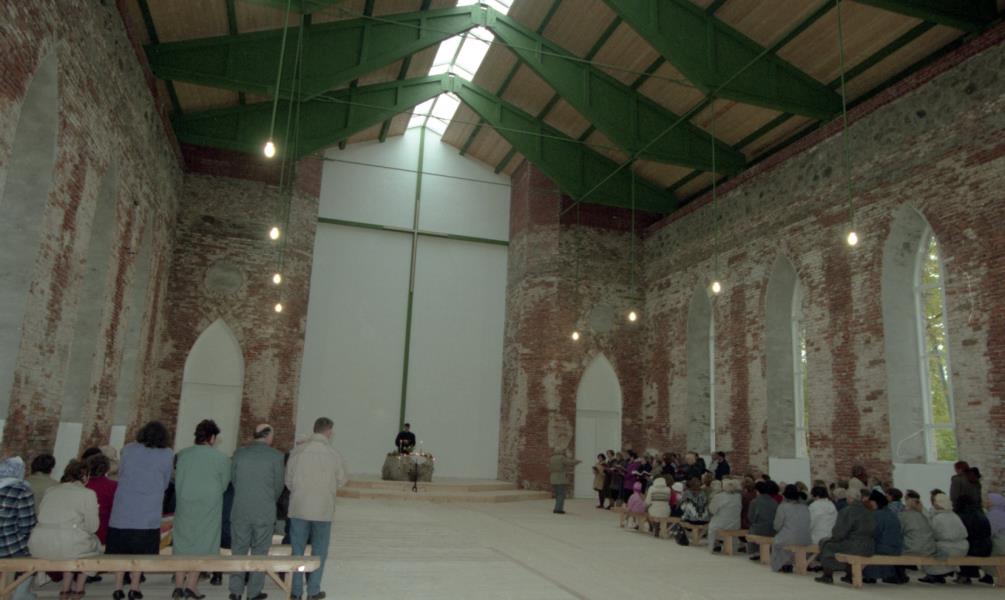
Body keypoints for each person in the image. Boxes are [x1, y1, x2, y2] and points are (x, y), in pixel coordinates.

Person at [107, 421, 173, 600]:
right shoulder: (167, 454)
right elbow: (166, 482)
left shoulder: (128, 449)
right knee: (141, 552)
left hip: (123, 509)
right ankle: (134, 587)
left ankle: (118, 587)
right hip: (147, 511)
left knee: (120, 552)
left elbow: (121, 473)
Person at [286, 417, 349, 600]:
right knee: (319, 551)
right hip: (322, 510)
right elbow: (342, 480)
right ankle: (313, 591)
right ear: (328, 431)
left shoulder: (298, 452)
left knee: (297, 550)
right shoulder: (333, 454)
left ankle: (296, 592)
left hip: (299, 507)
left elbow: (288, 481)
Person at [172, 419, 231, 600]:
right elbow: (224, 484)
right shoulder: (221, 458)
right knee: (202, 544)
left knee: (182, 543)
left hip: (185, 503)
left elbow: (176, 479)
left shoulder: (182, 455)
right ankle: (191, 586)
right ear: (212, 438)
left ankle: (178, 586)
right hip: (209, 507)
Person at [229, 424, 286, 600]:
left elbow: (234, 480)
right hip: (264, 511)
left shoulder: (239, 454)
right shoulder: (276, 456)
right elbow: (278, 486)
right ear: (267, 436)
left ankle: (236, 591)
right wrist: (268, 500)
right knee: (260, 552)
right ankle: (253, 592)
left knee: (238, 550)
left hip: (241, 509)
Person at [29, 459, 101, 598]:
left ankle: (65, 588)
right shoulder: (87, 493)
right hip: (68, 543)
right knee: (92, 544)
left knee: (73, 543)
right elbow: (93, 527)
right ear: (85, 476)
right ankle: (79, 589)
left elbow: (41, 515)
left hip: (39, 543)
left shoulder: (51, 490)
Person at [815, 489, 876, 585]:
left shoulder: (847, 511)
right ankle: (849, 575)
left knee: (826, 545)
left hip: (853, 545)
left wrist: (832, 539)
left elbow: (839, 533)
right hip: (869, 546)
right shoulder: (869, 511)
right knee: (831, 544)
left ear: (850, 498)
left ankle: (828, 575)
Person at [0, 457, 38, 600]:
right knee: (30, 562)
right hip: (8, 547)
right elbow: (27, 525)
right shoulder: (21, 490)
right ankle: (20, 595)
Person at [920, 492, 969, 583]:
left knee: (928, 548)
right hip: (963, 548)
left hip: (948, 549)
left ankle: (933, 575)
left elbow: (932, 535)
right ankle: (940, 574)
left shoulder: (938, 518)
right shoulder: (955, 516)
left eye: (935, 501)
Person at [862, 489, 904, 584]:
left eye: (872, 502)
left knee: (865, 546)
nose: (870, 504)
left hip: (883, 548)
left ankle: (870, 576)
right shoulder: (891, 514)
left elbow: (873, 533)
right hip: (896, 548)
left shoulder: (877, 515)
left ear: (876, 502)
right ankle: (888, 574)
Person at [897, 490, 936, 582]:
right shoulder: (926, 514)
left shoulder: (903, 515)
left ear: (907, 500)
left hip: (911, 549)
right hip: (928, 549)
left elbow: (899, 532)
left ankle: (899, 575)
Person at [772, 484, 811, 572]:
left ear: (785, 496)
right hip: (805, 539)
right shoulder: (805, 507)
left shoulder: (782, 507)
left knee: (778, 542)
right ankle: (792, 562)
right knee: (789, 539)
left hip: (789, 538)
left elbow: (777, 526)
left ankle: (783, 564)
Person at [955, 495, 993, 584]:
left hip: (974, 548)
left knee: (962, 546)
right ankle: (969, 574)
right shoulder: (981, 514)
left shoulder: (962, 516)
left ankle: (964, 575)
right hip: (987, 547)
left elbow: (962, 535)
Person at [83, 453, 117, 547]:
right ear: (107, 468)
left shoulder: (82, 486)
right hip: (106, 534)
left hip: (84, 535)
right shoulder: (114, 486)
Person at [708, 478, 741, 554]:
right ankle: (733, 547)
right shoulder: (738, 497)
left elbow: (712, 510)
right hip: (735, 525)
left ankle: (712, 546)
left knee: (712, 526)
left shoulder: (718, 496)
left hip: (720, 524)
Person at [747, 481, 778, 560]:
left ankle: (754, 552)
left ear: (758, 491)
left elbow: (751, 518)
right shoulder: (775, 502)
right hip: (772, 530)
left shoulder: (754, 502)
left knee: (752, 529)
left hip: (758, 530)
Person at [548, 450, 579, 515]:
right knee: (561, 494)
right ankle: (558, 509)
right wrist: (577, 461)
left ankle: (556, 508)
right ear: (561, 452)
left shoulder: (551, 458)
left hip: (553, 478)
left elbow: (549, 468)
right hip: (560, 479)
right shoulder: (561, 458)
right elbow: (569, 463)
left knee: (557, 494)